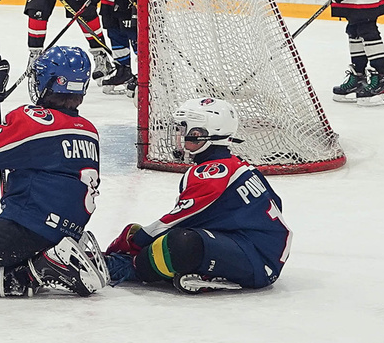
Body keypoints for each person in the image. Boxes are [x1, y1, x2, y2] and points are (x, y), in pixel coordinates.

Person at [0, 41, 110, 298]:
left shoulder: (36, 120)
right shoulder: (88, 130)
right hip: (67, 229)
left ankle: (41, 269)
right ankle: (51, 257)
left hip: (30, 227)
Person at [105, 96, 291, 292]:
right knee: (175, 239)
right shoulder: (235, 164)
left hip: (256, 260)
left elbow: (175, 221)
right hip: (255, 251)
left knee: (181, 243)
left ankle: (129, 267)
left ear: (202, 134)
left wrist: (135, 243)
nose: (179, 135)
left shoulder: (213, 171)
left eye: (185, 129)